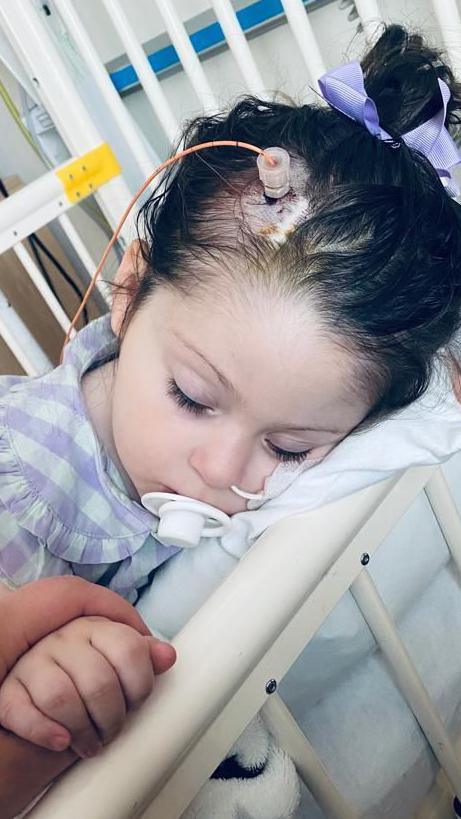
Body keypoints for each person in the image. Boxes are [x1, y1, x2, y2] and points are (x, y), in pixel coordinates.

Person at [1, 21, 461, 810]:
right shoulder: (20, 495)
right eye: (191, 397)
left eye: (287, 445)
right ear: (129, 288)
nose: (222, 472)